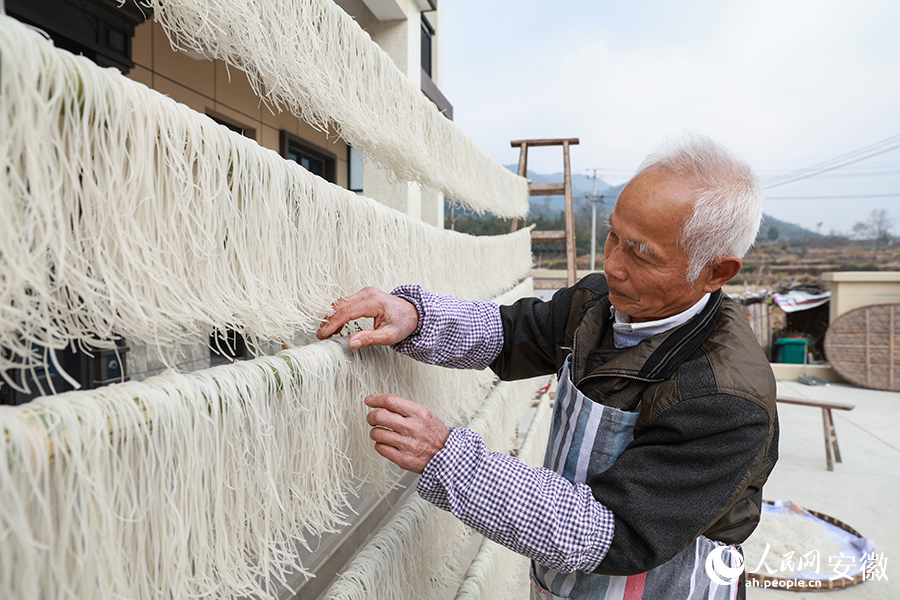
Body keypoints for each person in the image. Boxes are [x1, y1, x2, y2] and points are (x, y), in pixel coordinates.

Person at [317, 133, 778, 600]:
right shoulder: (599, 302)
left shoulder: (724, 399)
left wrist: (448, 457)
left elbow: (613, 533)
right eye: (614, 236)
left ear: (716, 272)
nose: (613, 264)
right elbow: (513, 332)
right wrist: (415, 317)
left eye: (641, 254)